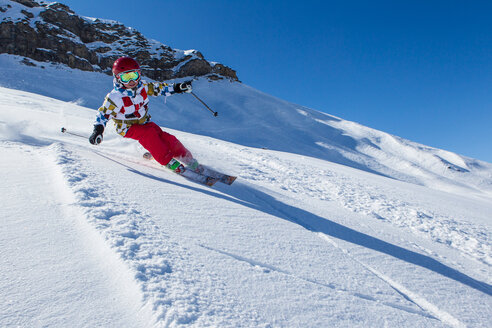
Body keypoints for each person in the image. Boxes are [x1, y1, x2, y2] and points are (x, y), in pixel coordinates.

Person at [89, 56, 199, 173]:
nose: (131, 81)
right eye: (126, 77)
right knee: (149, 135)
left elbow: (160, 88)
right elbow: (103, 114)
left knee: (165, 138)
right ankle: (167, 161)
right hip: (127, 127)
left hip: (145, 122)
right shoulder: (115, 97)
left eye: (134, 76)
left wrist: (178, 87)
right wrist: (98, 131)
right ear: (118, 78)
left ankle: (186, 157)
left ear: (139, 74)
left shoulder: (143, 87)